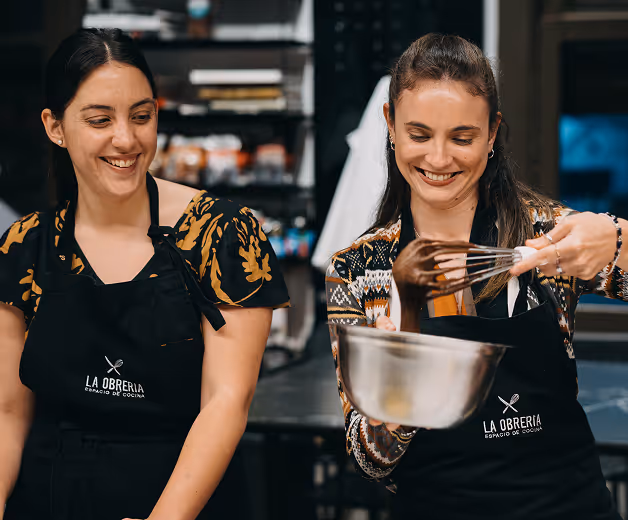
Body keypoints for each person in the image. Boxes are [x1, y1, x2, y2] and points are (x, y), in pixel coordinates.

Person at [326, 33, 626, 519]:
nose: (440, 159)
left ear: (491, 134)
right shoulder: (361, 270)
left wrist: (617, 239)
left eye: (463, 137)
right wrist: (405, 343)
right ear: (390, 126)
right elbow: (371, 461)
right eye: (419, 134)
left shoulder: (546, 236)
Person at [0, 28, 290, 520]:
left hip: (179, 501)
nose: (127, 139)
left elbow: (226, 402)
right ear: (56, 127)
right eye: (100, 120)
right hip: (49, 497)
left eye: (141, 116)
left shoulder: (221, 235)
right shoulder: (26, 246)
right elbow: (8, 412)